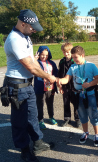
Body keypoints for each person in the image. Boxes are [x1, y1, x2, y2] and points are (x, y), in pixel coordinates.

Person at [1, 9, 56, 162]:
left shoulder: (25, 36)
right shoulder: (14, 39)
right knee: (19, 121)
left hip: (27, 85)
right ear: (23, 23)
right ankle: (25, 151)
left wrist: (44, 75)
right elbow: (30, 67)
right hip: (17, 87)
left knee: (32, 116)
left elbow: (32, 61)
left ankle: (38, 143)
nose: (34, 30)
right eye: (32, 27)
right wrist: (49, 77)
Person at [57, 45, 98, 146]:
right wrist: (58, 80)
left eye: (76, 57)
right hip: (78, 95)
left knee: (93, 114)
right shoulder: (73, 67)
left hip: (90, 94)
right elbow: (66, 79)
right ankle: (85, 132)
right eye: (73, 57)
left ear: (82, 55)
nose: (74, 59)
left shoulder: (91, 66)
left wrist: (89, 84)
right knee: (82, 115)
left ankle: (97, 134)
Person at [34, 46, 58, 130]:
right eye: (42, 55)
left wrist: (53, 78)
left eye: (46, 55)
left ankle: (51, 117)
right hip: (40, 88)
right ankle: (40, 120)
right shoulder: (37, 62)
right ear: (39, 54)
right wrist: (35, 59)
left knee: (50, 103)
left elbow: (56, 72)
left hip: (50, 87)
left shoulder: (51, 63)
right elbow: (32, 68)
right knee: (40, 104)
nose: (44, 57)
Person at [57, 42, 80, 127]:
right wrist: (59, 86)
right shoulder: (62, 61)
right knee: (66, 102)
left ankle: (78, 119)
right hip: (65, 85)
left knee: (76, 102)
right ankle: (67, 118)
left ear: (71, 51)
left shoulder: (75, 61)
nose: (66, 54)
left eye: (68, 52)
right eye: (64, 52)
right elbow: (59, 74)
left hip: (74, 86)